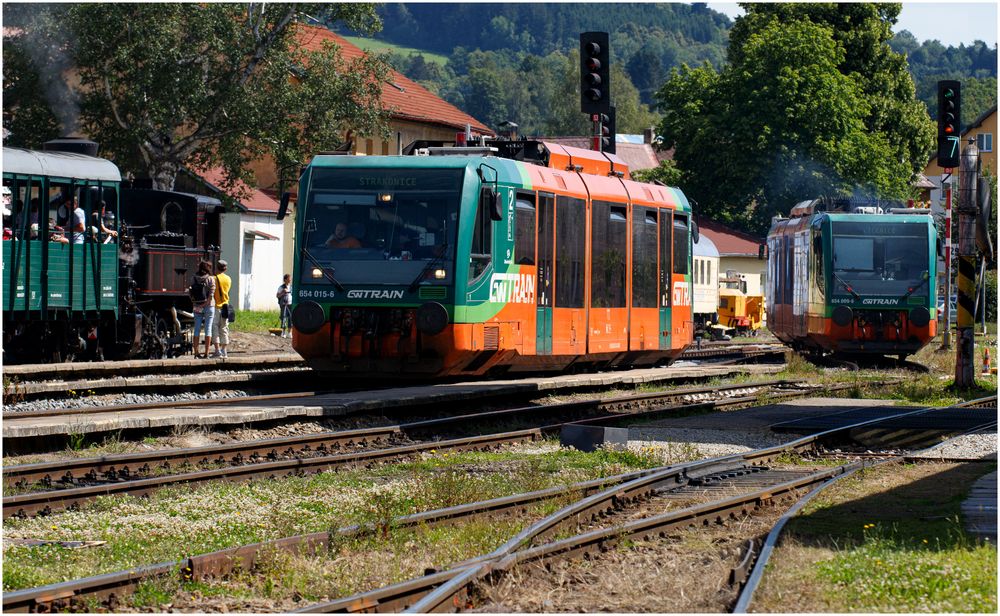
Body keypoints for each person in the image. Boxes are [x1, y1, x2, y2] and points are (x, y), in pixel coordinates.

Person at [189, 260, 216, 358]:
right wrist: (205, 304)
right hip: (209, 306)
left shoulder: (193, 278)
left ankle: (196, 353)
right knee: (208, 329)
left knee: (196, 329)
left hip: (197, 306)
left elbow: (190, 293)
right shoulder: (210, 279)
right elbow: (211, 295)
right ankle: (206, 353)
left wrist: (196, 303)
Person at [211, 260, 232, 358]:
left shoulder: (214, 278)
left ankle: (217, 350)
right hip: (226, 307)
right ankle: (224, 350)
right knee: (224, 328)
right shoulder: (228, 279)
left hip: (216, 306)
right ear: (225, 268)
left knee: (215, 327)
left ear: (217, 267)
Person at [277, 273, 293, 338]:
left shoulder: (291, 287)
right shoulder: (281, 287)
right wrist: (283, 292)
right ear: (285, 279)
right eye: (289, 278)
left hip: (290, 304)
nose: (290, 280)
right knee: (283, 318)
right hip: (284, 304)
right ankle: (283, 333)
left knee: (291, 318)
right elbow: (277, 295)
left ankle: (289, 333)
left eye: (290, 278)